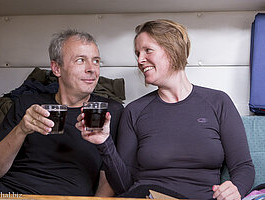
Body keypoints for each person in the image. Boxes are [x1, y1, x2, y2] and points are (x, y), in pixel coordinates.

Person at [76, 19, 255, 200]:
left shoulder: (218, 102)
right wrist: (103, 143)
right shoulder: (134, 111)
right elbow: (124, 186)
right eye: (137, 53)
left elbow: (243, 166)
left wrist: (236, 188)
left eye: (148, 50)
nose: (140, 60)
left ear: (172, 49)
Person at [0, 29, 123, 197]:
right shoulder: (26, 104)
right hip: (3, 193)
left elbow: (109, 180)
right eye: (80, 60)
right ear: (56, 68)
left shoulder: (109, 111)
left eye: (96, 61)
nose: (92, 69)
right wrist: (21, 129)